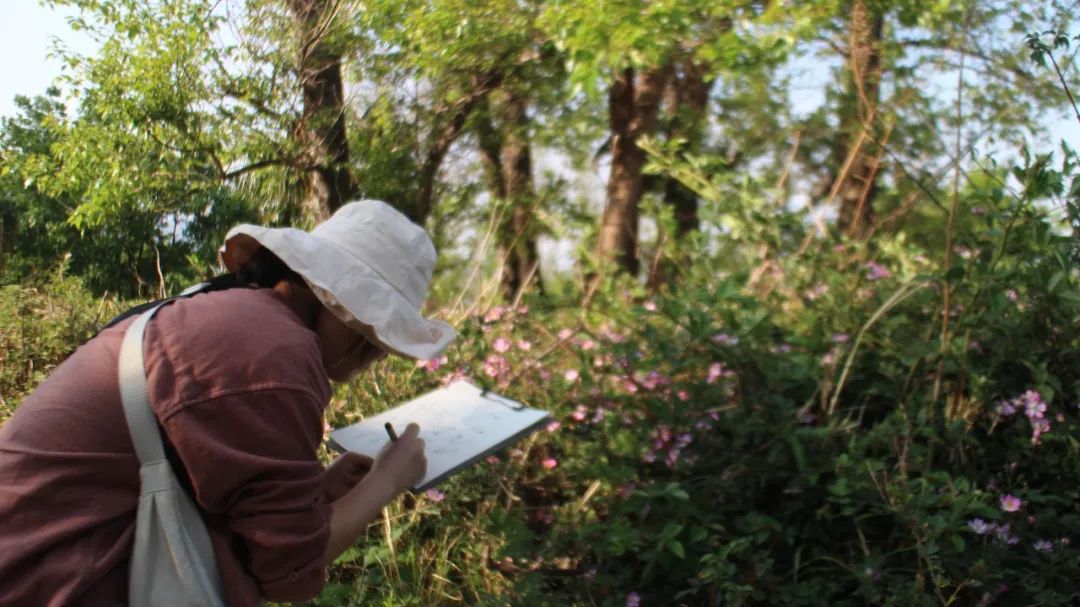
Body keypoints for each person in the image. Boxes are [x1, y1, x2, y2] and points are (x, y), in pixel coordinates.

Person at [0, 200, 456, 606]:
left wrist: (318, 492)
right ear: (323, 292)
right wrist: (389, 480)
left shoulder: (233, 313)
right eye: (368, 327)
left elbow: (205, 484)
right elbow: (291, 574)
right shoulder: (274, 354)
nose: (374, 351)